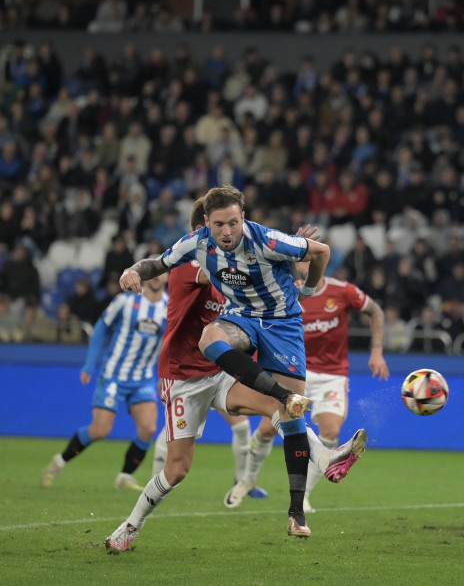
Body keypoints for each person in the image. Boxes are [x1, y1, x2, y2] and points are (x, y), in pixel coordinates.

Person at [105, 200, 366, 552]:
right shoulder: (195, 264)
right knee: (177, 469)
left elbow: (258, 285)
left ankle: (324, 459)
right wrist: (135, 269)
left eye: (232, 226)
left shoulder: (236, 276)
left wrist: (287, 256)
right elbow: (186, 265)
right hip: (182, 377)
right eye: (216, 228)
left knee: (281, 408)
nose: (225, 235)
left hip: (219, 370)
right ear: (204, 231)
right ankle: (129, 527)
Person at [224, 260, 388, 514]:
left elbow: (375, 310)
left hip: (332, 376)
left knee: (331, 432)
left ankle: (305, 497)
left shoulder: (343, 291)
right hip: (297, 372)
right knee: (268, 428)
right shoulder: (287, 292)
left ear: (322, 263)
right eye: (300, 259)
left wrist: (377, 351)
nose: (305, 265)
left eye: (310, 259)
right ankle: (247, 479)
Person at [40, 271, 169, 491]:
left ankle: (125, 476)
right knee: (100, 430)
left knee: (148, 428)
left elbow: (172, 344)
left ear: (167, 277)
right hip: (114, 375)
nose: (156, 276)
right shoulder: (125, 300)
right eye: (152, 272)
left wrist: (166, 375)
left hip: (144, 378)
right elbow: (101, 327)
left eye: (161, 272)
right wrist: (90, 364)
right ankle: (59, 462)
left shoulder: (171, 306)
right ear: (145, 276)